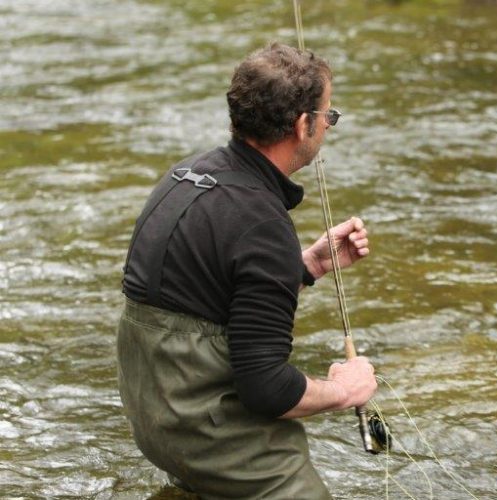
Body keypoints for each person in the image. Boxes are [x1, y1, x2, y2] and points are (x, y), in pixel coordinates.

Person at [116, 43, 376, 499]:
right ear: (302, 126)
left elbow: (201, 294)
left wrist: (305, 266)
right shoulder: (261, 224)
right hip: (210, 435)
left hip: (156, 422)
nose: (327, 126)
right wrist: (342, 389)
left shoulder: (186, 176)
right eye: (328, 116)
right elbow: (267, 390)